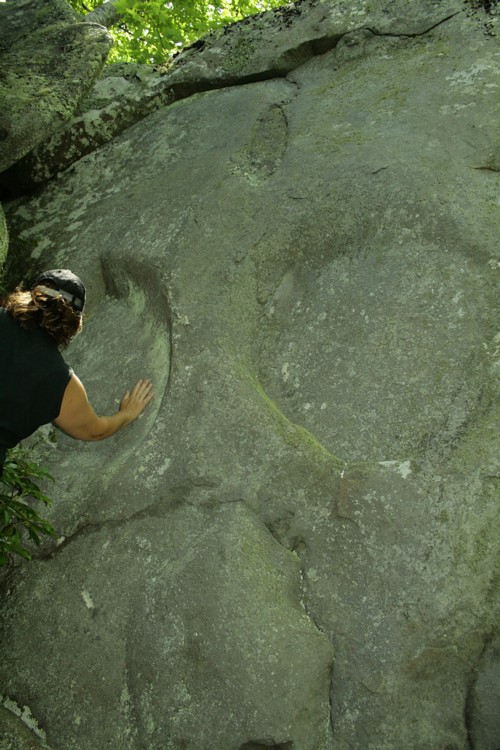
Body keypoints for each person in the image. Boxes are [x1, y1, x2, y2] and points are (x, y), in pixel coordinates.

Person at [0, 269, 154, 475]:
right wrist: (127, 414)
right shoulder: (61, 381)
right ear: (74, 324)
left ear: (30, 295)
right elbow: (95, 431)